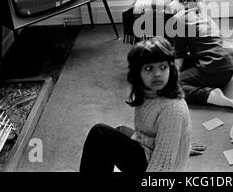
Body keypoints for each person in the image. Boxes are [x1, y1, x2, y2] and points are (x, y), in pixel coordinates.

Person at [79, 37, 202, 173]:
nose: (157, 74)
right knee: (118, 131)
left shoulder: (172, 108)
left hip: (152, 165)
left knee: (100, 133)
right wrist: (178, 145)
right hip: (148, 146)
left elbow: (163, 167)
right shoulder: (147, 92)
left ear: (170, 69)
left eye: (163, 67)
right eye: (149, 68)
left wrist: (176, 149)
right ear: (138, 73)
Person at [168, 0, 233, 110]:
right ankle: (205, 83)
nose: (169, 5)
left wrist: (172, 75)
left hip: (214, 68)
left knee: (171, 85)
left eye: (172, 0)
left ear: (184, 1)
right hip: (228, 66)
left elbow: (179, 56)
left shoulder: (178, 20)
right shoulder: (203, 15)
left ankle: (210, 96)